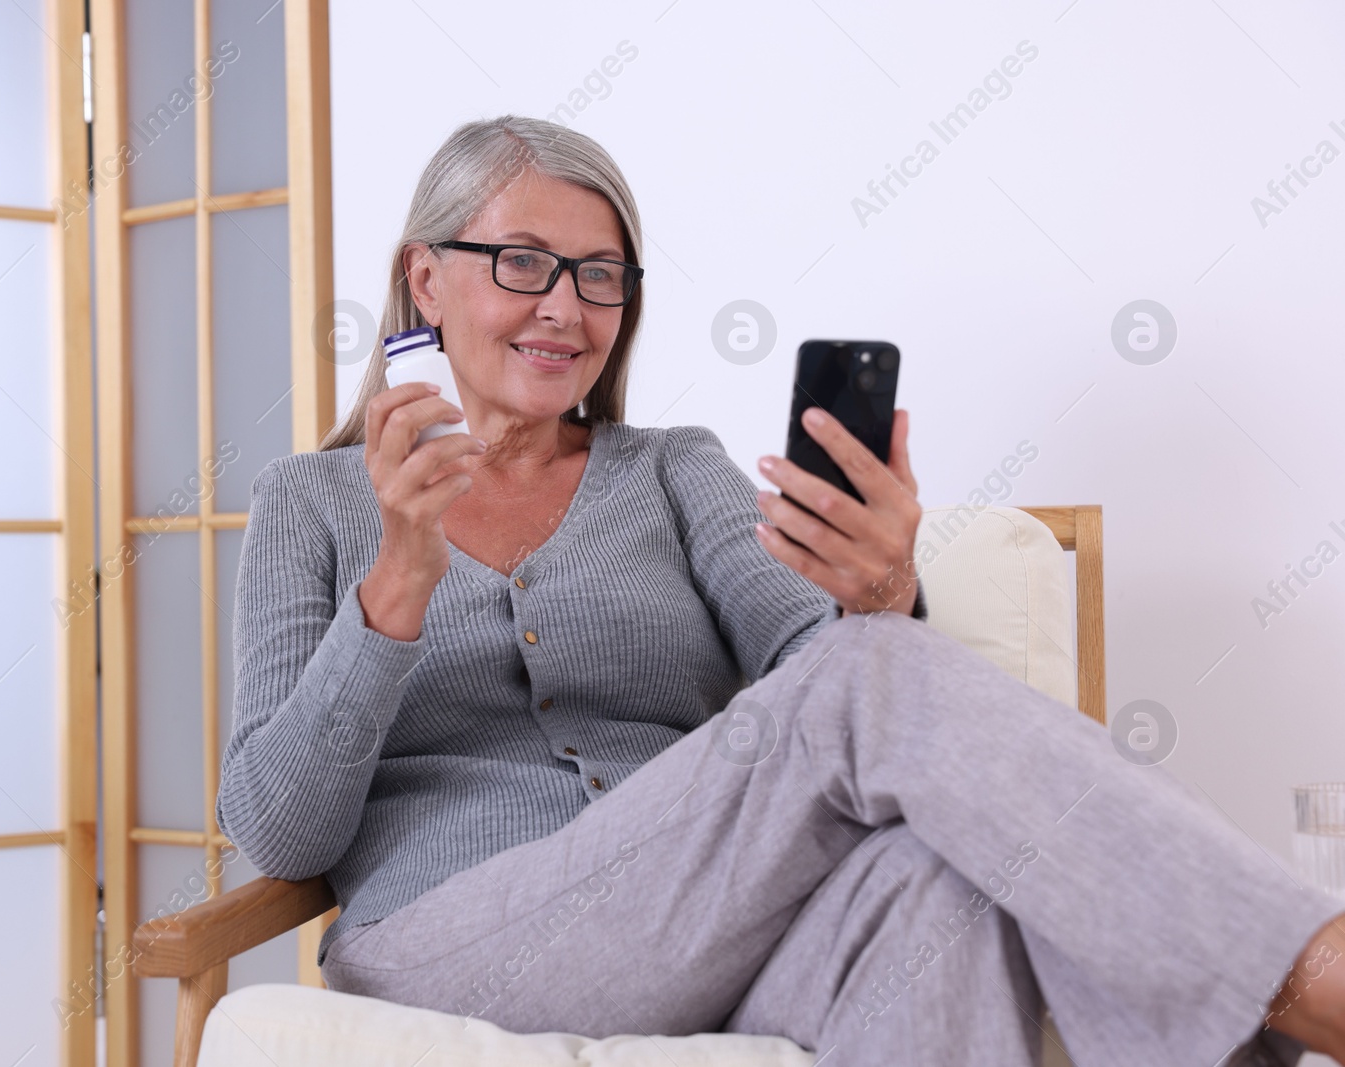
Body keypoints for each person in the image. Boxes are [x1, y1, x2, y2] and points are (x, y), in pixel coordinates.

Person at [216, 115, 1345, 1066]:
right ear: (425, 276)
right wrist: (395, 589)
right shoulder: (306, 501)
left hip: (700, 928)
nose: (565, 307)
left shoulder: (670, 468)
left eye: (599, 274)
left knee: (937, 878)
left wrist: (884, 588)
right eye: (522, 262)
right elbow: (279, 826)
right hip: (450, 945)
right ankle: (1302, 974)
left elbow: (834, 675)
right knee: (876, 684)